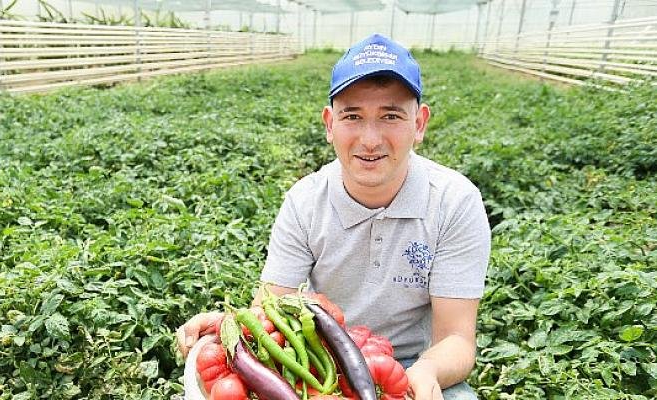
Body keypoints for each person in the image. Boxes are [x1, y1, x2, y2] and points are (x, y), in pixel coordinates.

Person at [176, 33, 490, 400]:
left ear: (419, 124)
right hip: (317, 361)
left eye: (390, 116)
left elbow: (456, 338)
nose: (370, 139)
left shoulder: (454, 201)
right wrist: (227, 326)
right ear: (329, 124)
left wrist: (426, 372)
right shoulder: (305, 201)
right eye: (352, 116)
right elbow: (272, 310)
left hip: (409, 364)